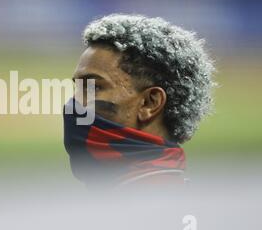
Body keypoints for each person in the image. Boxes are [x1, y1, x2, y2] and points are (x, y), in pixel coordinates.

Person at [63, 14, 216, 187]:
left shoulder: (154, 204)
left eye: (95, 87)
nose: (74, 103)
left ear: (149, 103)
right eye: (78, 88)